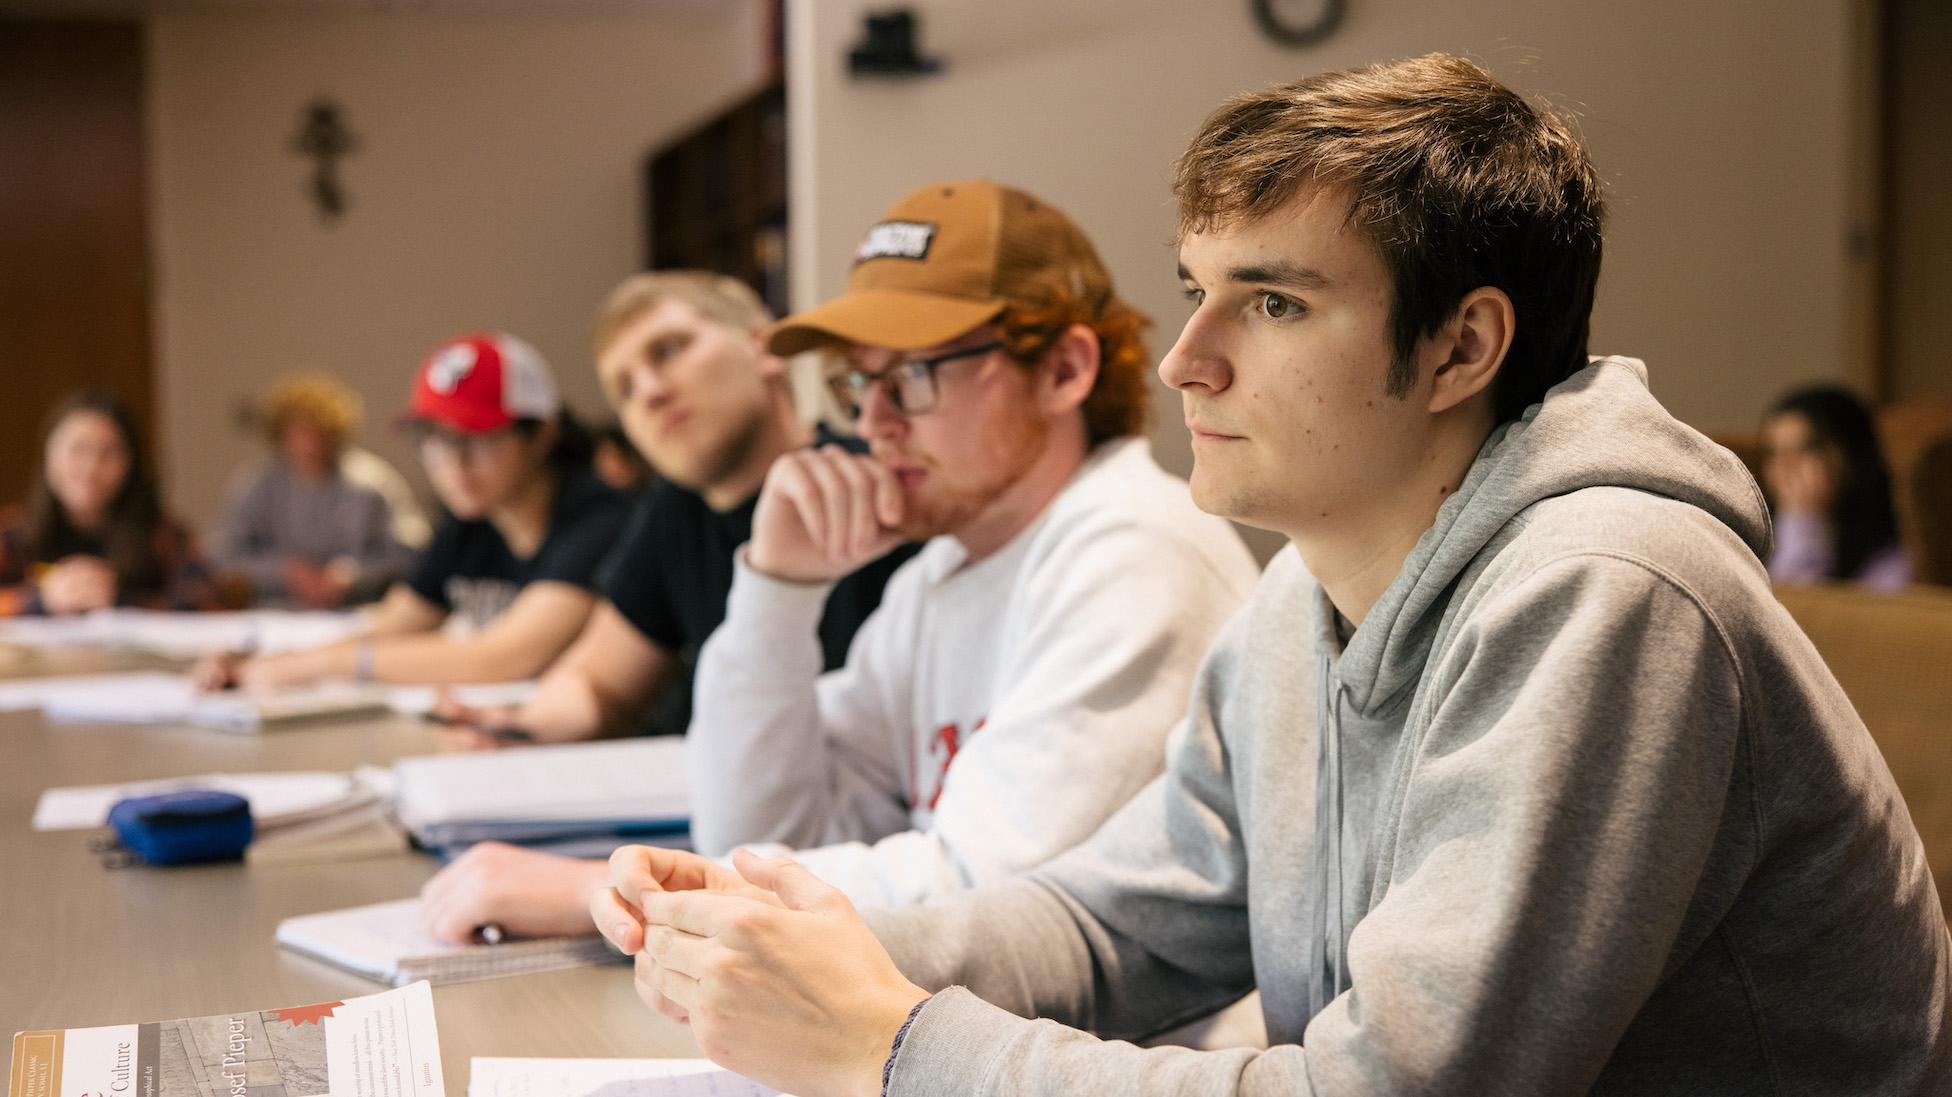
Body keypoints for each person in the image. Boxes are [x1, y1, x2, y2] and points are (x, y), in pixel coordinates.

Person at [590, 55, 1951, 1097]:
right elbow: (1111, 927)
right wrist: (835, 935)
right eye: (1197, 290)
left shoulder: (1609, 594)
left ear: (1461, 348)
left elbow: (1392, 1090)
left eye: (1276, 301)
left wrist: (893, 1042)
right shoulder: (1303, 604)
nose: (1189, 360)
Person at [421, 187, 1260, 942]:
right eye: (862, 386)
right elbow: (762, 830)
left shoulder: (1133, 556)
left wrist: (624, 894)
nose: (878, 423)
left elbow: (988, 903)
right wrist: (776, 590)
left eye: (915, 377)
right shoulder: (940, 576)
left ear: (1065, 370)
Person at [419, 271, 923, 941]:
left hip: (840, 878)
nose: (649, 391)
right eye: (623, 387)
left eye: (669, 350)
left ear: (764, 347)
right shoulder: (675, 509)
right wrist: (515, 726)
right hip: (728, 844)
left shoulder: (881, 488)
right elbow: (600, 679)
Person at [192, 332, 629, 690]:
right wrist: (267, 662)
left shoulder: (598, 519)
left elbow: (500, 657)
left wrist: (319, 667)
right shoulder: (473, 523)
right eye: (434, 439)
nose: (453, 464)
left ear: (542, 433)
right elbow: (393, 624)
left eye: (478, 437)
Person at [0, 390, 222, 616]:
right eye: (78, 450)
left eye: (108, 452)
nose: (91, 467)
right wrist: (39, 600)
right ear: (48, 452)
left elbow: (210, 602)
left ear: (130, 463)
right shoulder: (12, 533)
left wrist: (122, 599)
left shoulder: (160, 534)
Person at [211, 372, 417, 608]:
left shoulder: (373, 484)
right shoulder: (258, 486)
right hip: (277, 614)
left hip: (358, 611)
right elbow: (224, 555)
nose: (308, 444)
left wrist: (352, 574)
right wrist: (283, 571)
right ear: (280, 435)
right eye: (298, 432)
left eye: (317, 432)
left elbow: (410, 555)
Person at [1759, 384, 1910, 591]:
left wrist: (1803, 522)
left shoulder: (1894, 556)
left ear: (1853, 455)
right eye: (1773, 452)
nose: (1785, 466)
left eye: (1806, 448)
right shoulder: (1755, 535)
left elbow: (1792, 613)